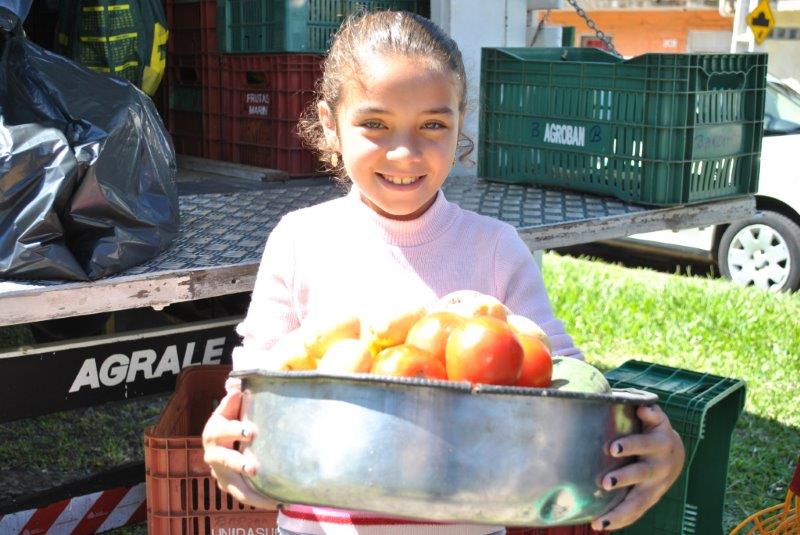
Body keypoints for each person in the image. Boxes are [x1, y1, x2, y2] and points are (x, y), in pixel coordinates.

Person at [202, 10, 685, 535]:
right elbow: (249, 387)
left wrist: (652, 444)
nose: (406, 152)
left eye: (433, 125)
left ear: (460, 122)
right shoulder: (300, 241)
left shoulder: (496, 249)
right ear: (329, 125)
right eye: (375, 124)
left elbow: (569, 386)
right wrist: (223, 440)